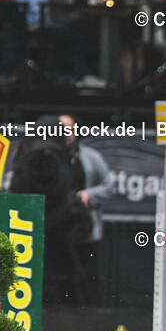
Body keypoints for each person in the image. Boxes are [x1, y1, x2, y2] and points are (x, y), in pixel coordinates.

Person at [59, 114, 111, 300]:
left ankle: (91, 310)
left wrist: (90, 195)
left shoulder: (91, 157)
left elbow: (109, 186)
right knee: (60, 279)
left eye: (69, 129)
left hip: (85, 229)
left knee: (88, 277)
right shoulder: (47, 157)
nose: (65, 133)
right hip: (56, 229)